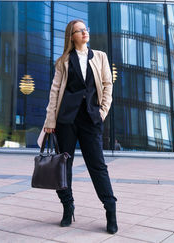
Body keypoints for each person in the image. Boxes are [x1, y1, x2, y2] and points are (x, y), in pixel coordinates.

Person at [42, 19, 118, 234]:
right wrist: (50, 120)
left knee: (98, 166)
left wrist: (102, 112)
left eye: (86, 29)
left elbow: (107, 85)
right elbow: (55, 91)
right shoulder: (64, 61)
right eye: (80, 30)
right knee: (63, 167)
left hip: (91, 119)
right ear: (71, 36)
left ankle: (110, 209)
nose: (85, 32)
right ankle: (67, 207)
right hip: (66, 120)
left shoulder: (100, 56)